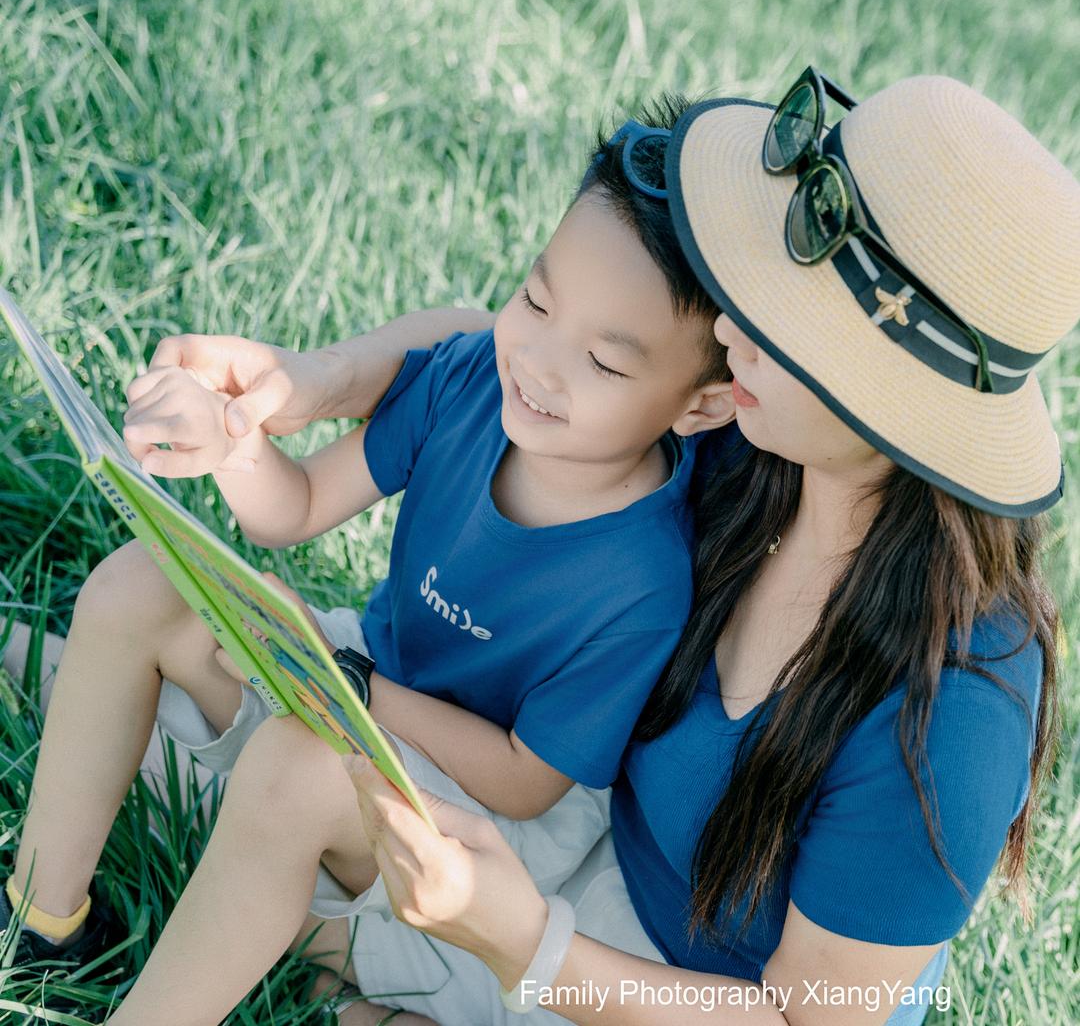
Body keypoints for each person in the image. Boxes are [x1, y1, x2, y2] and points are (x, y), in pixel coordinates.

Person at [128, 72, 1073, 1026]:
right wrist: (312, 381)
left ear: (889, 403)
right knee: (222, 707)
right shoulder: (753, 436)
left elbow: (809, 1020)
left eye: (786, 319)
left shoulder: (954, 706)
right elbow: (505, 350)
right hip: (581, 871)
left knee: (257, 805)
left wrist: (522, 942)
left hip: (684, 996)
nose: (728, 323)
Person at [1, 101, 736, 1024]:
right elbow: (298, 506)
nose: (539, 363)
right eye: (536, 301)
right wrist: (229, 441)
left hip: (485, 820)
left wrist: (339, 675)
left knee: (294, 763)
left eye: (602, 360)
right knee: (138, 582)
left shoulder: (644, 578)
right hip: (364, 676)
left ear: (699, 407)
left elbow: (523, 779)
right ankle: (44, 925)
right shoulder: (473, 382)